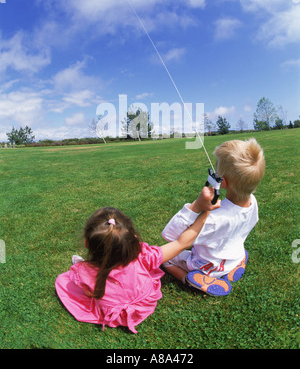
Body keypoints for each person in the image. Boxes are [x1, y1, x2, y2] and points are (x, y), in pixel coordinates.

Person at [55, 187, 220, 334]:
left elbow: (86, 288)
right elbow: (182, 243)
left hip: (114, 312)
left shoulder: (85, 273)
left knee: (67, 280)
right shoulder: (144, 256)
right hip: (143, 303)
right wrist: (206, 212)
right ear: (133, 237)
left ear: (86, 243)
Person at [161, 138, 265, 296]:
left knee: (165, 259)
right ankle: (236, 263)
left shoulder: (212, 218)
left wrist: (197, 206)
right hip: (233, 257)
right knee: (237, 249)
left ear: (223, 183)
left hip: (207, 267)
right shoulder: (253, 202)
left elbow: (170, 236)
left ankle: (188, 280)